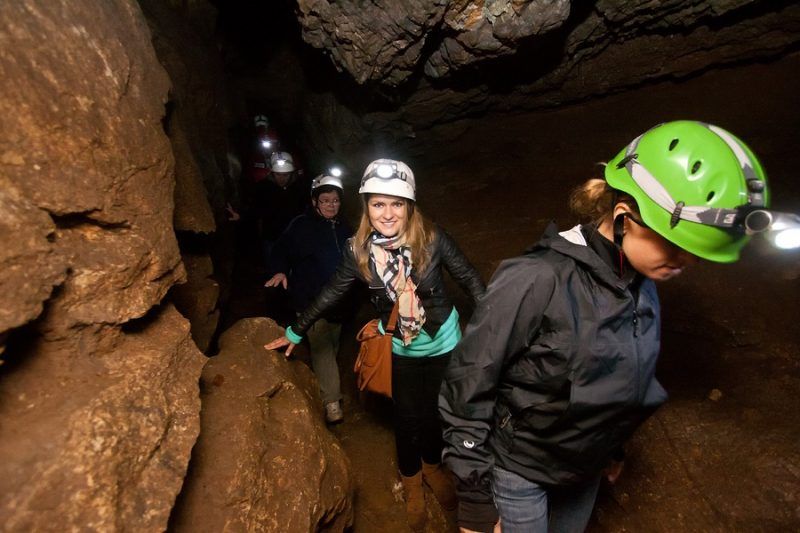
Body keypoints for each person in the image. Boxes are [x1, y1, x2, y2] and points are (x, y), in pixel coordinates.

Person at [439, 120, 798, 533]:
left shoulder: (641, 282)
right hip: (523, 470)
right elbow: (468, 383)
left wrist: (612, 449)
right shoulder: (536, 279)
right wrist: (474, 501)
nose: (686, 263)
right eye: (677, 245)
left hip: (586, 467)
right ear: (625, 216)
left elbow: (624, 370)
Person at [266, 158, 486, 531]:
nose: (387, 213)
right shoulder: (359, 251)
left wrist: (499, 326)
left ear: (409, 206)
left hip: (444, 342)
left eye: (396, 203)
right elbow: (331, 293)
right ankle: (412, 479)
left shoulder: (432, 238)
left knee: (436, 411)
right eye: (378, 203)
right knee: (407, 417)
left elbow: (469, 279)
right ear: (366, 206)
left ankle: (433, 467)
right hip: (401, 346)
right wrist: (295, 330)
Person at [264, 174, 354, 424]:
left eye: (335, 201)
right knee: (322, 348)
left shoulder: (344, 227)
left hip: (339, 303)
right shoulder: (301, 226)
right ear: (315, 202)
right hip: (309, 301)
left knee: (331, 346)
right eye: (325, 201)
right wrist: (280, 269)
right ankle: (332, 402)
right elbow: (279, 250)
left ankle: (326, 385)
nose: (330, 205)